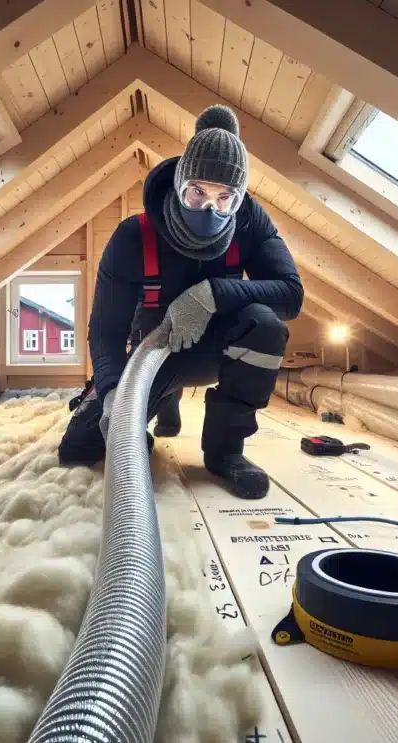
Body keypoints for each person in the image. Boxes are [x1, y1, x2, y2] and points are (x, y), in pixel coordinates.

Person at [58, 104, 304, 500]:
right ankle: (161, 402)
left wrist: (211, 294)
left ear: (239, 198)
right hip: (155, 347)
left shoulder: (251, 221)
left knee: (265, 324)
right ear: (179, 183)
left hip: (221, 346)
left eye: (225, 198)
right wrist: (110, 396)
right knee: (80, 448)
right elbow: (105, 330)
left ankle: (225, 452)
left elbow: (291, 295)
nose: (211, 208)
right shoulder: (133, 237)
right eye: (198, 192)